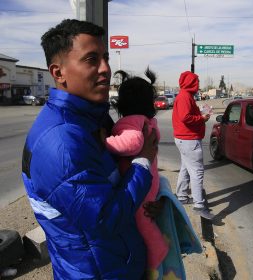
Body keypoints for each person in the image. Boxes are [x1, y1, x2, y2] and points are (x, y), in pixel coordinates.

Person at [21, 19, 158, 279]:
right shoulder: (61, 142)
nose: (105, 69)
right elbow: (105, 219)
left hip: (118, 263)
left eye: (105, 58)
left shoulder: (92, 118)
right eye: (91, 59)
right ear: (58, 73)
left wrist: (148, 201)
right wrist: (143, 163)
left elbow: (113, 185)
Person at [104, 69, 168, 277]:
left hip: (142, 183)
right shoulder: (145, 120)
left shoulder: (132, 121)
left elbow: (132, 143)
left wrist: (105, 142)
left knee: (142, 221)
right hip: (148, 179)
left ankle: (157, 254)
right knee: (145, 220)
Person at [171, 71, 214, 220]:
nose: (198, 85)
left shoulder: (185, 96)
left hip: (185, 139)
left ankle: (182, 196)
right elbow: (185, 117)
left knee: (185, 168)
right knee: (197, 172)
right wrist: (201, 117)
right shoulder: (184, 97)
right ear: (191, 83)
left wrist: (201, 117)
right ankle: (199, 206)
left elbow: (188, 116)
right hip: (189, 140)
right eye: (197, 82)